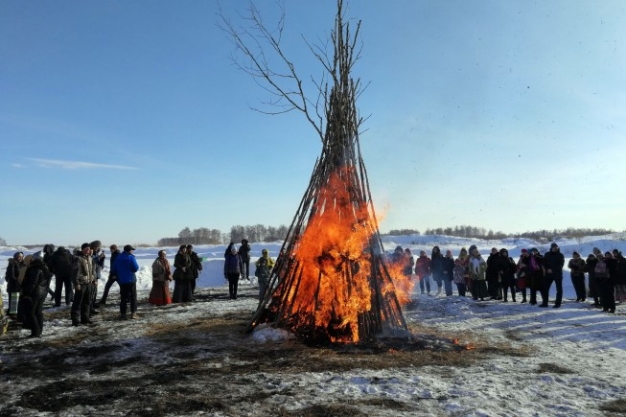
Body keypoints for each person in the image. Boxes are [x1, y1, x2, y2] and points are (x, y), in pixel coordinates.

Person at [21, 257, 52, 337]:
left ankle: (35, 332)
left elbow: (33, 283)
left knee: (31, 312)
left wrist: (27, 293)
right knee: (38, 312)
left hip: (35, 293)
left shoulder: (35, 269)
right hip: (43, 292)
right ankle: (39, 330)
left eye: (26, 262)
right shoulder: (44, 266)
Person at [111, 245, 139, 319]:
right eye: (131, 250)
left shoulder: (118, 258)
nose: (132, 251)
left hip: (122, 280)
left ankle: (123, 314)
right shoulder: (131, 257)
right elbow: (136, 268)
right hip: (131, 279)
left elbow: (114, 269)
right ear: (129, 250)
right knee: (133, 297)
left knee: (123, 297)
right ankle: (133, 313)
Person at [71, 243, 95, 326]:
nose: (88, 251)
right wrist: (76, 283)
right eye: (86, 249)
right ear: (83, 249)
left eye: (89, 249)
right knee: (78, 302)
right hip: (81, 283)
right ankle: (75, 320)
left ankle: (85, 318)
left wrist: (93, 279)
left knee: (87, 302)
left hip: (88, 282)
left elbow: (92, 270)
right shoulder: (78, 258)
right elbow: (75, 272)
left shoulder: (89, 258)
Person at [540, 243, 565, 308]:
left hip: (557, 274)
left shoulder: (560, 255)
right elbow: (544, 262)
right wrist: (547, 269)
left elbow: (561, 265)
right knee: (545, 288)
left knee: (559, 289)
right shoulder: (547, 254)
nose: (555, 248)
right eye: (554, 247)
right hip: (548, 274)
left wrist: (552, 269)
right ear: (551, 248)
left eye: (556, 247)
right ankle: (545, 303)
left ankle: (557, 304)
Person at [5, 252, 24, 319]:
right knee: (13, 299)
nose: (20, 258)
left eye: (21, 257)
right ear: (15, 257)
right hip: (13, 285)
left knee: (14, 299)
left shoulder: (22, 264)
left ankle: (10, 312)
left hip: (18, 285)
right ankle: (12, 314)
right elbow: (11, 274)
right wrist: (17, 280)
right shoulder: (12, 264)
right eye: (18, 256)